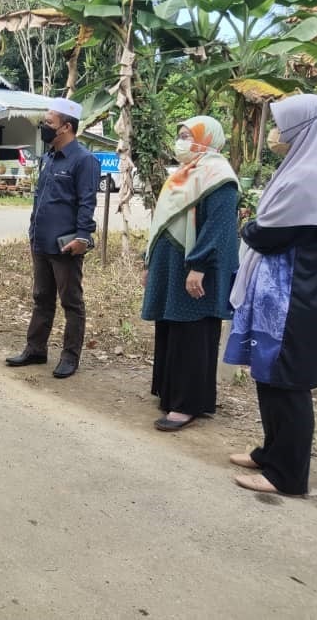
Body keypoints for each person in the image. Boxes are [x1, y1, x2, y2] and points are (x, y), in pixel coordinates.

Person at [224, 95, 317, 495]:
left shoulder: (313, 175)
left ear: (306, 128)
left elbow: (270, 233)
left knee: (287, 382)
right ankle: (270, 452)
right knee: (270, 375)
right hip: (287, 293)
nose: (276, 133)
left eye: (282, 124)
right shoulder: (308, 167)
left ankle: (287, 475)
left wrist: (248, 230)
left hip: (295, 299)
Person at [140, 116, 239, 431]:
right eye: (180, 135)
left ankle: (187, 404)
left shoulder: (219, 176)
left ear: (208, 139)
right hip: (170, 263)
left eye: (188, 136)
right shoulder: (184, 173)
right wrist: (149, 261)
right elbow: (161, 222)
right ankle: (171, 393)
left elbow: (220, 227)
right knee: (172, 326)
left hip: (196, 266)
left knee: (192, 330)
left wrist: (199, 266)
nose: (181, 141)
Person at [6, 97, 100, 378]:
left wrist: (82, 237)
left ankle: (70, 356)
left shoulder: (84, 160)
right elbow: (41, 201)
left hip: (67, 245)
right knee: (41, 297)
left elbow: (87, 203)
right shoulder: (47, 158)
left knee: (71, 301)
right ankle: (35, 349)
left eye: (49, 123)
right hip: (41, 242)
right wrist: (33, 233)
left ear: (66, 127)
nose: (43, 127)